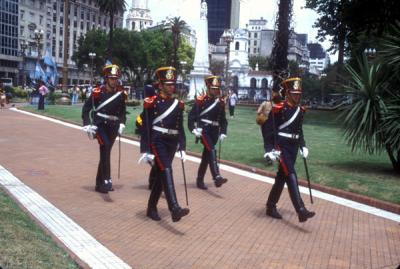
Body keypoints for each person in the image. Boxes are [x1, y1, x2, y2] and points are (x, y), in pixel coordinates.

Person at [138, 66, 189, 222]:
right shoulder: (151, 103)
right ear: (160, 85)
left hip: (172, 143)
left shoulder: (178, 104)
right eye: (167, 84)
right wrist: (145, 149)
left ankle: (151, 208)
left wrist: (183, 146)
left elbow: (180, 127)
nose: (171, 87)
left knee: (161, 176)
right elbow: (145, 126)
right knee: (166, 169)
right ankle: (174, 208)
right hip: (157, 140)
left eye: (173, 84)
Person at [263, 77, 315, 223]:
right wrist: (269, 149)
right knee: (291, 174)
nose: (297, 96)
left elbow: (299, 130)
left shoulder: (300, 110)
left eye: (299, 93)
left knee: (281, 177)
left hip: (292, 147)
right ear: (287, 93)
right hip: (282, 147)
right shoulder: (279, 109)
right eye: (294, 93)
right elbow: (268, 129)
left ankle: (270, 206)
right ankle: (301, 210)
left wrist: (303, 145)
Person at [82, 64, 127, 193]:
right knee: (105, 147)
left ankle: (99, 184)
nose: (114, 81)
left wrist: (122, 123)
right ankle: (107, 180)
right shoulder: (97, 92)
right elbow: (86, 109)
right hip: (100, 125)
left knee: (105, 153)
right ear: (106, 78)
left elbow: (123, 112)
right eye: (112, 78)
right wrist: (87, 124)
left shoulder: (121, 94)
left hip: (113, 127)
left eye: (116, 78)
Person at [188, 75, 228, 190]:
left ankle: (199, 180)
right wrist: (193, 129)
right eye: (213, 88)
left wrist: (223, 132)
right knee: (211, 150)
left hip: (214, 132)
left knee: (206, 157)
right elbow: (191, 117)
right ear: (208, 88)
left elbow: (223, 120)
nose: (215, 90)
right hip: (204, 130)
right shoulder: (201, 101)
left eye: (217, 88)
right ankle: (217, 176)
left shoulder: (220, 102)